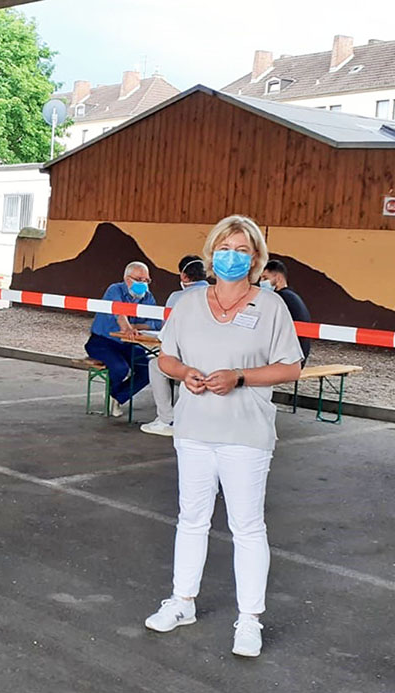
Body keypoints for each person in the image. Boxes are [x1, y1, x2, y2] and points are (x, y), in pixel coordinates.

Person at [144, 215, 303, 658]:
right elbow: (167, 358)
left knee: (247, 526)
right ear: (211, 253)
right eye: (225, 248)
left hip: (245, 433)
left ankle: (249, 619)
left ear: (255, 259)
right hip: (194, 429)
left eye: (242, 250)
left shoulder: (271, 306)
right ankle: (181, 602)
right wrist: (186, 374)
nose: (232, 256)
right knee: (190, 519)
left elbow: (290, 367)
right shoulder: (190, 303)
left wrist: (240, 376)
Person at [84, 261, 162, 417]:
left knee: (148, 370)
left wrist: (135, 328)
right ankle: (114, 397)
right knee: (120, 368)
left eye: (146, 280)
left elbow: (155, 322)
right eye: (139, 279)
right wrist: (127, 328)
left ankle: (117, 396)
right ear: (128, 279)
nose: (144, 284)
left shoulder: (147, 297)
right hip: (102, 342)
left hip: (128, 343)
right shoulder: (115, 290)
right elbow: (119, 313)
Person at [142, 255, 207, 436]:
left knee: (155, 365)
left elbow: (167, 331)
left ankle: (166, 419)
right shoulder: (215, 294)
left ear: (184, 276)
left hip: (187, 360)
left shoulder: (177, 297)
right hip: (215, 359)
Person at [260, 259, 311, 363]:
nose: (261, 282)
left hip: (288, 360)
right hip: (299, 357)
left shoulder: (279, 299)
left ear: (278, 278)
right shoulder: (292, 296)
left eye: (265, 278)